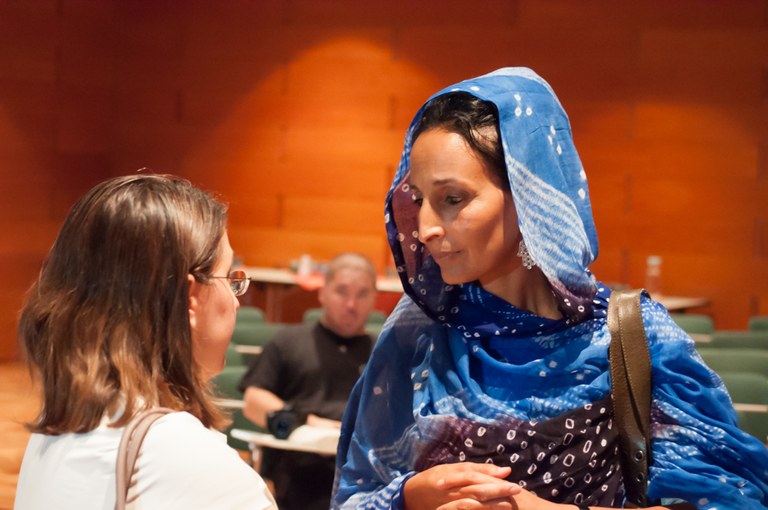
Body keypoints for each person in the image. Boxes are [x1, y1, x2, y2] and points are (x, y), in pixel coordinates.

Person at [331, 68, 768, 510]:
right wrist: (409, 496)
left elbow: (727, 500)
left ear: (529, 195)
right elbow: (356, 493)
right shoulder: (419, 332)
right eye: (418, 199)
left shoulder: (634, 336)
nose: (425, 228)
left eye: (452, 199)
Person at [15, 174, 277, 509]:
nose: (236, 300)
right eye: (229, 277)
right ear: (188, 299)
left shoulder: (56, 429)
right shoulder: (187, 460)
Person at [240, 252, 378, 510]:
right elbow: (253, 402)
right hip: (297, 474)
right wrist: (307, 422)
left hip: (364, 475)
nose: (351, 304)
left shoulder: (384, 353)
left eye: (362, 294)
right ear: (322, 292)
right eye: (341, 292)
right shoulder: (288, 341)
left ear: (374, 298)